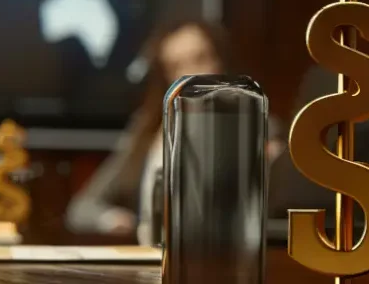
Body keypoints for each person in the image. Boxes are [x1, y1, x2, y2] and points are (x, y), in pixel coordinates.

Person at [66, 20, 282, 245]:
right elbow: (81, 208)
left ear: (221, 61)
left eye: (201, 58)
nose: (192, 74)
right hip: (150, 257)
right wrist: (112, 220)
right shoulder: (148, 130)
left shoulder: (258, 126)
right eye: (177, 66)